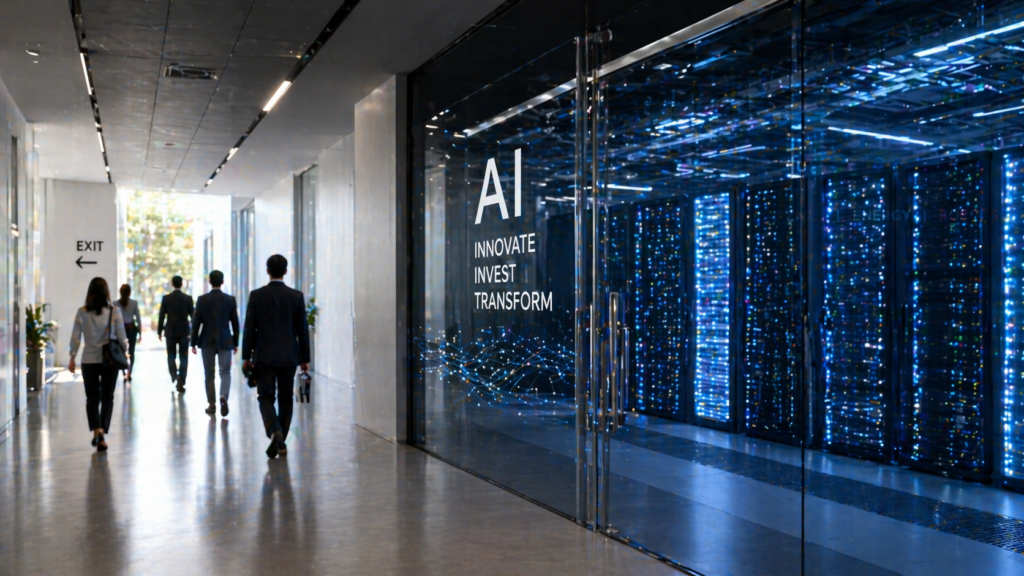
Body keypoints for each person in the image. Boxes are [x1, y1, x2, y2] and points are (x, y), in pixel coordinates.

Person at [242, 255, 310, 459]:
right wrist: (305, 358)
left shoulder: (256, 295)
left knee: (265, 396)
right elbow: (302, 330)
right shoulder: (296, 297)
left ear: (267, 271)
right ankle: (281, 438)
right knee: (286, 397)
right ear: (286, 271)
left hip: (263, 355)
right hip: (289, 355)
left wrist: (246, 355)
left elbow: (249, 329)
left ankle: (274, 431)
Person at [69, 277, 129, 452]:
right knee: (108, 396)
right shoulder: (114, 312)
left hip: (89, 360)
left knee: (92, 398)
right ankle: (102, 430)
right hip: (109, 360)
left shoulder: (82, 312)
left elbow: (75, 337)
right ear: (106, 293)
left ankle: (97, 432)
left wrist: (72, 356)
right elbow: (121, 337)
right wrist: (126, 352)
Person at [190, 270, 240, 417]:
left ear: (210, 282)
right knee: (225, 372)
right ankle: (223, 396)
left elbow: (196, 323)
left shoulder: (202, 300)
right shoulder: (230, 300)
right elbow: (235, 324)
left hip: (207, 340)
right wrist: (235, 342)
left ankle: (211, 404)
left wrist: (193, 343)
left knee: (209, 373)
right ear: (222, 282)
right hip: (225, 340)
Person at [158, 275, 194, 393]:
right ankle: (181, 379)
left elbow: (162, 316)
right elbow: (193, 317)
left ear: (172, 284)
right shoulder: (188, 298)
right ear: (181, 284)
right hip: (184, 332)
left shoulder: (166, 298)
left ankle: (174, 376)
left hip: (170, 332)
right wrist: (194, 332)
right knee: (184, 356)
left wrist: (159, 331)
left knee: (171, 356)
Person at [113, 284, 142, 382]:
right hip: (131, 329)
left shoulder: (115, 303)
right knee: (131, 352)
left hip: (119, 331)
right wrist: (140, 333)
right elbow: (138, 318)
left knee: (121, 352)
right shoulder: (134, 303)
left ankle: (124, 372)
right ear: (130, 292)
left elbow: (112, 320)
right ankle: (129, 373)